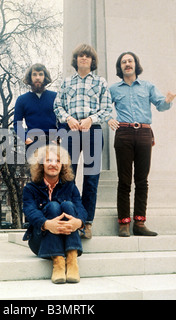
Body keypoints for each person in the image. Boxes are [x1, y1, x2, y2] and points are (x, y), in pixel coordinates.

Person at [108, 52, 176, 237]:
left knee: (142, 180)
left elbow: (160, 105)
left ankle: (140, 223)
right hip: (123, 134)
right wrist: (108, 118)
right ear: (120, 67)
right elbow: (104, 107)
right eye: (123, 62)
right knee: (124, 180)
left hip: (145, 134)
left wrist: (168, 100)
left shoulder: (148, 86)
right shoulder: (114, 89)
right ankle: (123, 223)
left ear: (135, 65)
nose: (127, 64)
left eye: (130, 61)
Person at [54, 44, 114, 239]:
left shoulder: (100, 82)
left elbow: (106, 109)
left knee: (91, 179)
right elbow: (57, 106)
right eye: (81, 55)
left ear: (92, 60)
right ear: (76, 59)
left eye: (87, 56)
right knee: (66, 176)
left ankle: (86, 222)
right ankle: (67, 217)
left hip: (93, 132)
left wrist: (91, 119)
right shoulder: (66, 82)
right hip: (70, 131)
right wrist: (68, 118)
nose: (84, 58)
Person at [22, 144, 88, 284]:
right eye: (49, 160)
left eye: (57, 161)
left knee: (68, 205)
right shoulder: (30, 188)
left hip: (67, 238)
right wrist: (46, 224)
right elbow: (30, 211)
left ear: (62, 165)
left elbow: (80, 207)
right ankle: (58, 262)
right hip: (40, 240)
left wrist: (79, 222)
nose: (53, 164)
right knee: (52, 206)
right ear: (41, 165)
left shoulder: (70, 186)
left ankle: (71, 260)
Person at [13, 63, 59, 151]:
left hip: (53, 143)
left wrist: (58, 137)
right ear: (30, 77)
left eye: (41, 74)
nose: (37, 77)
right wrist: (25, 138)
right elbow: (17, 123)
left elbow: (63, 120)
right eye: (34, 74)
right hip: (33, 144)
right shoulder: (22, 99)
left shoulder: (55, 97)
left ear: (45, 77)